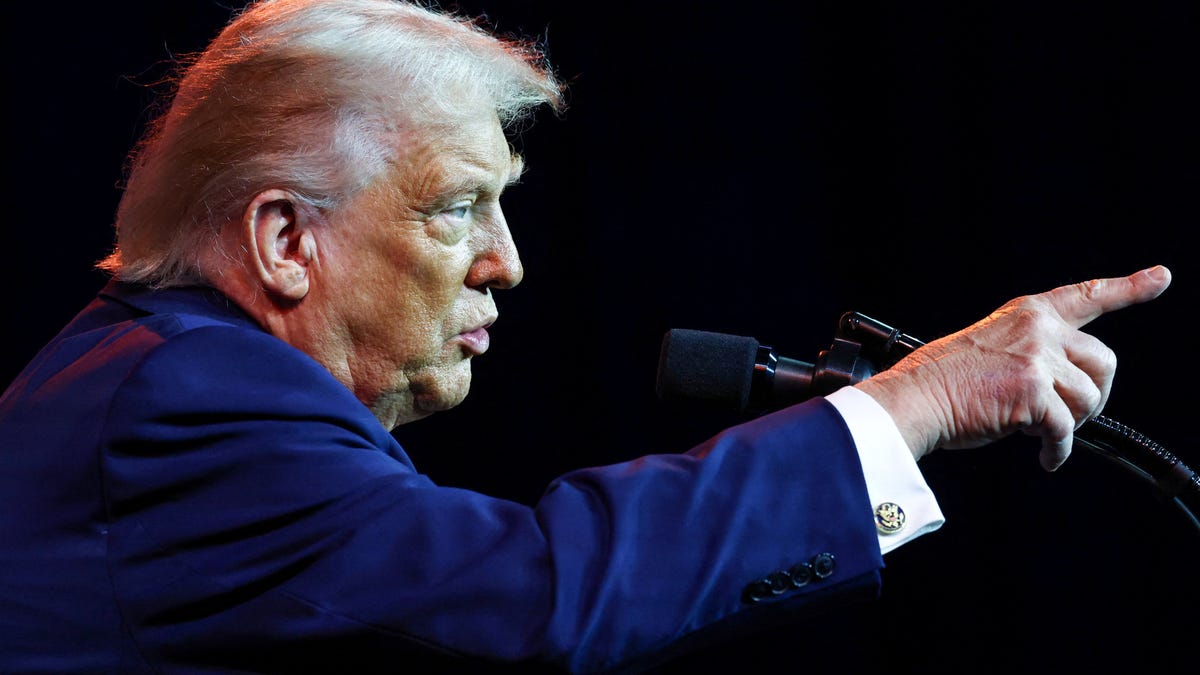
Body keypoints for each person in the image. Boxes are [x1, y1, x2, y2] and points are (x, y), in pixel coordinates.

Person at [0, 0, 1173, 673]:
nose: (508, 260)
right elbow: (541, 593)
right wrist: (915, 404)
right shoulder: (188, 401)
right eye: (457, 206)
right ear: (283, 241)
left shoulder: (158, 368)